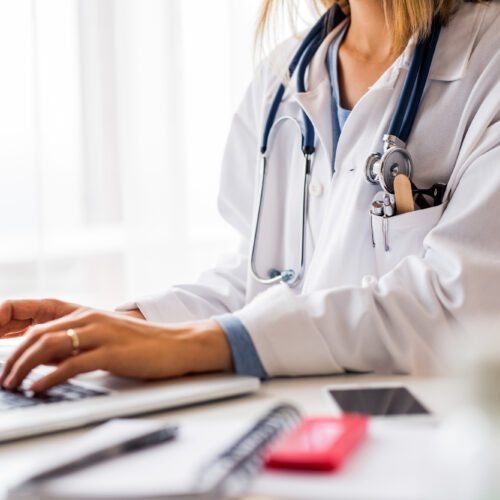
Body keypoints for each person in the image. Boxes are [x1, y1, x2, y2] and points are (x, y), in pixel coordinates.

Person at [1, 0, 499, 392]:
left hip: (422, 445)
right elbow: (261, 279)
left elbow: (458, 306)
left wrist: (203, 344)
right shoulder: (283, 75)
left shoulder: (488, 61)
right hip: (291, 427)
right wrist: (124, 325)